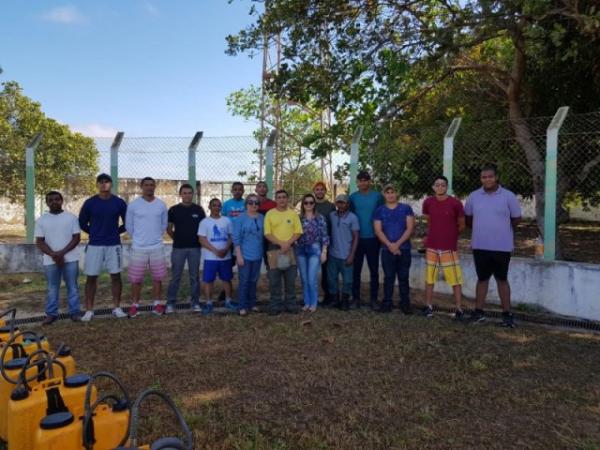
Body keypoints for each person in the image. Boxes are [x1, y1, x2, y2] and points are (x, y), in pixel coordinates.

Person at [464, 164, 521, 328]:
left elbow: (516, 219)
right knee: (482, 279)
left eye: (490, 176)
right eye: (484, 177)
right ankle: (479, 313)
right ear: (481, 179)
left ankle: (507, 316)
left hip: (502, 247)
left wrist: (500, 230)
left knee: (502, 279)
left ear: (496, 177)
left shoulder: (509, 196)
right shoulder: (474, 196)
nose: (487, 179)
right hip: (480, 245)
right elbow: (468, 219)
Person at [78, 173, 128, 321]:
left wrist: (115, 232)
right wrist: (94, 232)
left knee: (116, 276)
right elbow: (82, 223)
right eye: (101, 182)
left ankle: (117, 308)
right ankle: (89, 310)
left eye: (107, 182)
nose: (104, 184)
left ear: (111, 184)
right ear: (97, 185)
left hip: (114, 245)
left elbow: (127, 222)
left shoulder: (119, 202)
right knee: (91, 277)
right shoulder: (90, 203)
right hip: (95, 245)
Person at [421, 176, 466, 319]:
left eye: (443, 185)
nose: (440, 187)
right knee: (430, 278)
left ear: (447, 187)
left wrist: (450, 235)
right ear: (433, 187)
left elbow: (462, 225)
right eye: (437, 185)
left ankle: (459, 309)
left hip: (449, 247)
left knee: (455, 279)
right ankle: (428, 306)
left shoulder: (456, 203)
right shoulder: (428, 202)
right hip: (432, 246)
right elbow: (429, 221)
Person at [35, 191, 82, 325]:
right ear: (47, 203)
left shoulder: (71, 218)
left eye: (57, 199)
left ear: (62, 201)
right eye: (51, 200)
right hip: (50, 260)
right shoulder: (41, 220)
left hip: (71, 258)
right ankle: (51, 314)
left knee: (72, 286)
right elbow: (39, 241)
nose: (54, 202)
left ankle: (75, 313)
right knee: (52, 287)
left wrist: (61, 253)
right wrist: (53, 255)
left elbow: (77, 238)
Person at [125, 177, 168, 317]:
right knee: (136, 279)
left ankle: (157, 304)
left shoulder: (161, 205)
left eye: (152, 185)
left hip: (157, 247)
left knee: (157, 278)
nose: (149, 187)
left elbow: (163, 226)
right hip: (138, 248)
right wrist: (139, 239)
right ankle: (135, 305)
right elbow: (129, 226)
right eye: (146, 185)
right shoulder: (133, 205)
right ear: (141, 186)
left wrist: (154, 238)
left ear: (155, 187)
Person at [373, 184, 415, 313]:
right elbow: (378, 230)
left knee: (403, 276)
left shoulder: (406, 209)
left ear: (397, 194)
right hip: (386, 250)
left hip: (404, 249)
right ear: (384, 194)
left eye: (393, 192)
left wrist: (397, 244)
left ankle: (405, 303)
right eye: (388, 192)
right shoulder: (379, 210)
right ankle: (387, 303)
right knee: (389, 277)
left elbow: (409, 228)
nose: (390, 194)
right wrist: (390, 245)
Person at [166, 184, 206, 314]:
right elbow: (169, 229)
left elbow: (204, 228)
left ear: (193, 194)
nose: (187, 195)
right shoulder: (173, 210)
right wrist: (177, 239)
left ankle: (195, 302)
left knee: (194, 277)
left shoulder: (199, 210)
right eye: (185, 193)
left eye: (190, 193)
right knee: (175, 277)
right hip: (178, 248)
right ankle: (171, 303)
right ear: (180, 194)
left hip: (195, 248)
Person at [264, 189, 303, 315]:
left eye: (284, 197)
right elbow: (267, 233)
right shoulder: (270, 214)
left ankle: (291, 305)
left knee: (290, 279)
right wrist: (281, 243)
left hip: (290, 249)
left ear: (287, 199)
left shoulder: (293, 214)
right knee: (274, 280)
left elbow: (298, 232)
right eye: (279, 197)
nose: (281, 199)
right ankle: (275, 305)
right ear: (276, 199)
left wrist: (288, 243)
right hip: (274, 250)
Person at [349, 170, 384, 309]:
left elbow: (382, 215)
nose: (363, 182)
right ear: (357, 182)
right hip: (357, 239)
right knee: (356, 271)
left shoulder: (377, 196)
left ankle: (374, 300)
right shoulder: (353, 197)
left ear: (370, 181)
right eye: (360, 180)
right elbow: (350, 218)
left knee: (373, 270)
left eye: (365, 180)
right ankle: (355, 299)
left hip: (373, 238)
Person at [197, 198, 234, 314]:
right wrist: (215, 251)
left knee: (227, 279)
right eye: (214, 205)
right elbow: (202, 239)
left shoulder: (227, 221)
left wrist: (226, 249)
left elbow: (231, 236)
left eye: (219, 205)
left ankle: (228, 301)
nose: (216, 207)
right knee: (208, 281)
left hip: (225, 256)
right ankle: (209, 303)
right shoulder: (204, 222)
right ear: (209, 207)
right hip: (210, 257)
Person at [296, 193, 329, 312]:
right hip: (300, 249)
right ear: (303, 204)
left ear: (314, 204)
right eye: (306, 202)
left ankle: (314, 303)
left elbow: (325, 236)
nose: (308, 205)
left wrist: (324, 252)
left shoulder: (320, 218)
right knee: (304, 279)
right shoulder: (299, 218)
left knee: (311, 278)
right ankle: (307, 302)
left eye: (311, 202)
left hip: (315, 249)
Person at [233, 194, 264, 316]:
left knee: (253, 280)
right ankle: (242, 305)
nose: (254, 205)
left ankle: (252, 303)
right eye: (251, 202)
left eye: (256, 203)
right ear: (246, 204)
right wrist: (239, 255)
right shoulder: (241, 218)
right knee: (244, 280)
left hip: (258, 254)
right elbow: (236, 238)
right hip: (244, 255)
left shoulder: (262, 217)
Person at [328, 194, 360, 311]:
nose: (341, 205)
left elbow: (356, 237)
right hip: (333, 254)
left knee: (348, 280)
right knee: (332, 279)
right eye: (338, 202)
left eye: (343, 203)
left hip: (346, 255)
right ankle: (335, 300)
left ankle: (345, 300)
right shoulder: (332, 215)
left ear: (348, 204)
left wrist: (352, 254)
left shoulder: (353, 218)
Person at [313, 181, 336, 307]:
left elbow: (333, 225)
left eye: (322, 189)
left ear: (325, 191)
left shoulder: (330, 206)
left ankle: (329, 296)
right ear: (314, 191)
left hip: (326, 244)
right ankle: (312, 296)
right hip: (312, 243)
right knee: (313, 272)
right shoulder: (310, 204)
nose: (319, 191)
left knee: (327, 272)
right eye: (317, 189)